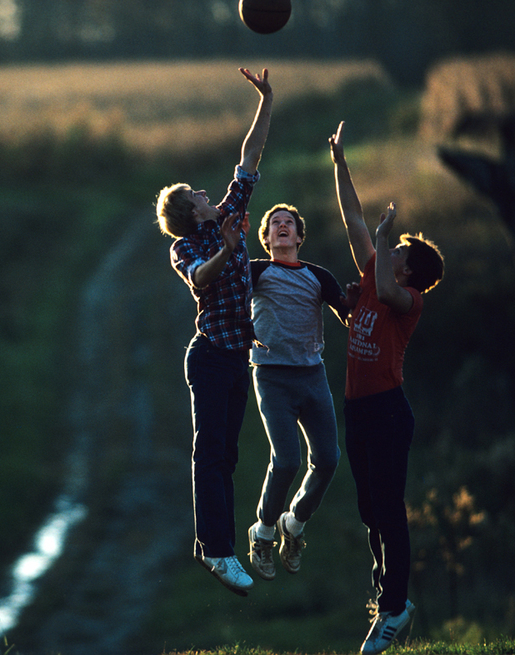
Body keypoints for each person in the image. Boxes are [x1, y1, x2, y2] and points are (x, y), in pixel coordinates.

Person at [155, 66, 272, 597]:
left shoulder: (230, 211)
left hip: (236, 356)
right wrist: (227, 247)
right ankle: (217, 550)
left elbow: (249, 158)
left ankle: (217, 548)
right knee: (210, 450)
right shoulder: (188, 247)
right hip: (207, 357)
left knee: (227, 455)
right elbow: (200, 281)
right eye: (198, 193)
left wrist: (265, 100)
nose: (209, 192)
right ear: (190, 210)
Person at [329, 121, 444, 655]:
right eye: (392, 246)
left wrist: (385, 232)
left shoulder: (409, 301)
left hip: (388, 412)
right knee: (370, 510)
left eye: (398, 249)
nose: (389, 250)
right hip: (358, 410)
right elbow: (353, 217)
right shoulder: (378, 271)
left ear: (410, 271)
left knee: (389, 508)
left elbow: (379, 283)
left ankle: (397, 607)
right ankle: (387, 601)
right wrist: (340, 164)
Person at [245, 203, 351, 582]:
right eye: (275, 224)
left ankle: (295, 524)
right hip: (272, 377)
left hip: (312, 375)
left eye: (289, 223)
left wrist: (356, 300)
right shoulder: (257, 271)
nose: (282, 226)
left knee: (327, 459)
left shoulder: (318, 276)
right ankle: (264, 532)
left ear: (300, 237)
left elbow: (347, 312)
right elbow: (226, 289)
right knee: (287, 459)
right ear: (267, 238)